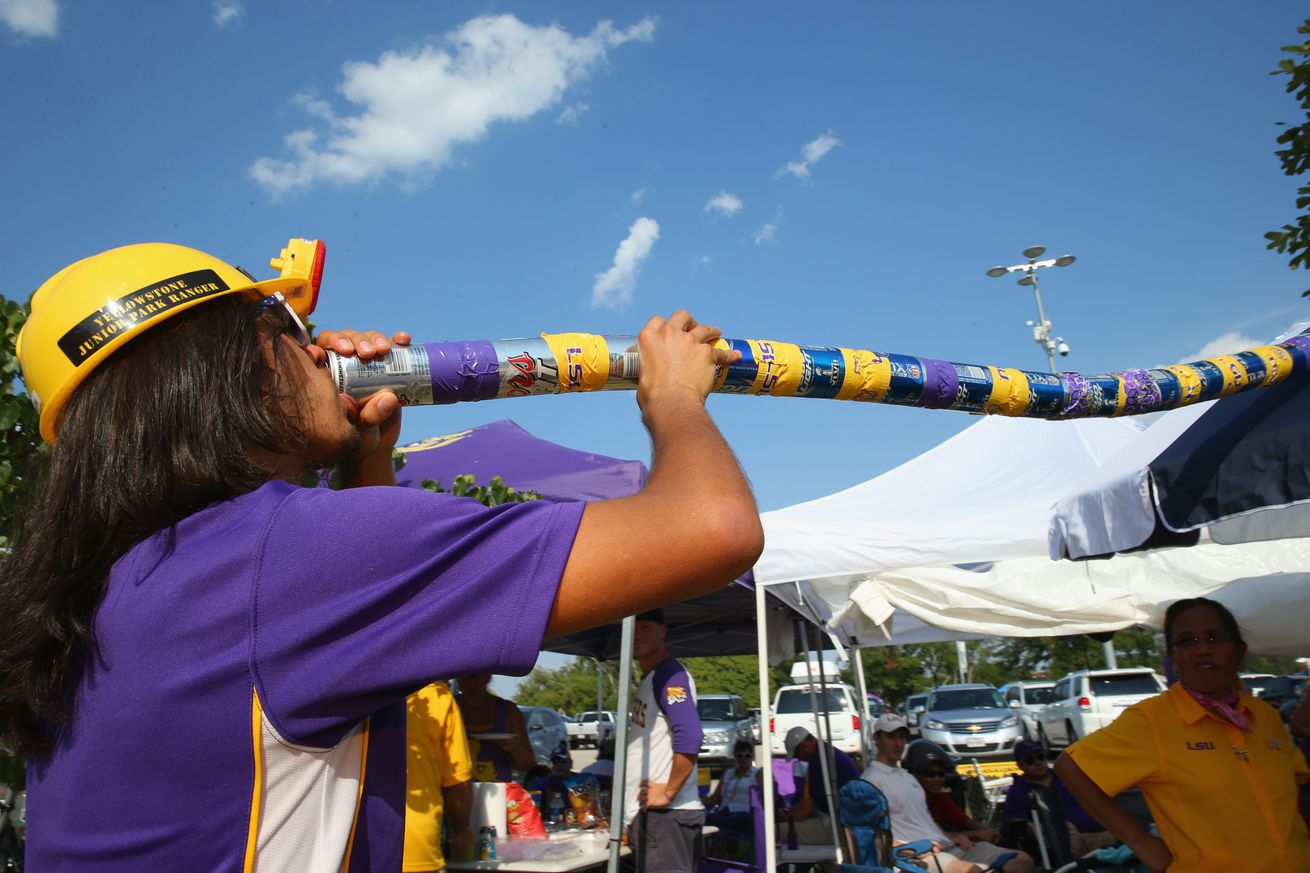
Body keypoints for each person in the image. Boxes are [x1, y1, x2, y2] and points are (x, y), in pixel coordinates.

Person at [0, 239, 764, 872]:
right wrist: (673, 395)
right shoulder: (290, 557)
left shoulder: (98, 589)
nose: (316, 348)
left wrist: (358, 458)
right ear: (214, 366)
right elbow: (713, 526)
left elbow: (324, 656)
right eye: (282, 326)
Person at [1054, 597, 1310, 873]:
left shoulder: (1265, 717)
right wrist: (1139, 841)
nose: (1202, 649)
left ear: (1239, 650)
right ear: (1173, 658)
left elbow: (1290, 796)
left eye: (1214, 637)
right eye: (1187, 641)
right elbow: (1071, 768)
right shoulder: (1152, 720)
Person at [861, 714, 1033, 873]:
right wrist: (916, 849)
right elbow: (872, 837)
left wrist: (954, 837)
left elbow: (926, 823)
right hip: (917, 857)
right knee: (975, 870)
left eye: (902, 737)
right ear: (877, 738)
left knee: (1022, 861)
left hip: (947, 847)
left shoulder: (909, 778)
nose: (898, 744)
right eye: (891, 737)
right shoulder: (870, 782)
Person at [625, 608, 704, 873]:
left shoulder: (671, 676)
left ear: (663, 631)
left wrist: (668, 792)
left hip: (667, 816)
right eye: (633, 629)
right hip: (655, 819)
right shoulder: (653, 678)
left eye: (645, 627)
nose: (638, 635)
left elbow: (690, 736)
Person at [404, 680, 474, 872]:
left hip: (355, 844)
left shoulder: (355, 688)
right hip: (418, 846)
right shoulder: (438, 697)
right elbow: (458, 783)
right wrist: (460, 830)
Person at [1001, 739, 1112, 861]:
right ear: (1020, 765)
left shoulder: (1065, 775)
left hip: (1097, 832)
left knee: (1120, 839)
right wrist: (1055, 827)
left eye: (1040, 757)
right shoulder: (1018, 791)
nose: (1038, 763)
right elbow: (1017, 824)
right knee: (1072, 842)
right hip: (1059, 840)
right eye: (1030, 760)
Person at [781, 725, 861, 845]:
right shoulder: (828, 751)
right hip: (853, 822)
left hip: (843, 828)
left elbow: (804, 812)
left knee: (777, 832)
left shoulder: (817, 763)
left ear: (802, 747)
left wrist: (783, 815)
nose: (800, 760)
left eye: (797, 756)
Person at [908, 750, 1000, 846]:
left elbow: (966, 821)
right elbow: (940, 835)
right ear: (916, 777)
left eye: (941, 774)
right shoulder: (912, 802)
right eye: (930, 774)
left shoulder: (940, 798)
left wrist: (988, 831)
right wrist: (977, 834)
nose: (937, 779)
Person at [454, 673, 535, 781]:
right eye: (459, 674)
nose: (464, 680)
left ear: (487, 676)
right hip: (456, 792)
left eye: (471, 675)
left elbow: (528, 765)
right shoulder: (447, 706)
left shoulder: (507, 710)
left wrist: (516, 748)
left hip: (496, 792)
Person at [704, 739, 758, 833]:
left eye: (747, 755)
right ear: (735, 757)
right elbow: (714, 798)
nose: (743, 758)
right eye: (739, 755)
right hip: (724, 811)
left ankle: (723, 842)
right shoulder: (728, 774)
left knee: (731, 821)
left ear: (752, 757)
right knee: (702, 818)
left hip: (744, 813)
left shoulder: (757, 775)